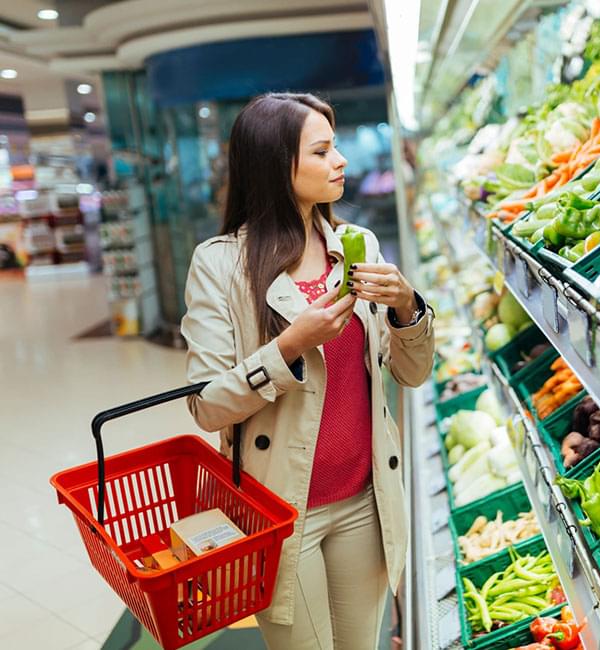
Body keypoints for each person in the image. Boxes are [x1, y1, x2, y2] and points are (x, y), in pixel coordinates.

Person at [180, 93, 434, 650]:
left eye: (335, 146)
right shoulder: (220, 264)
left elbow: (410, 375)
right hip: (281, 511)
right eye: (322, 151)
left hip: (365, 497)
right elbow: (206, 404)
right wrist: (289, 347)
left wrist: (407, 309)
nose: (340, 160)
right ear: (276, 166)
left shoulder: (356, 246)